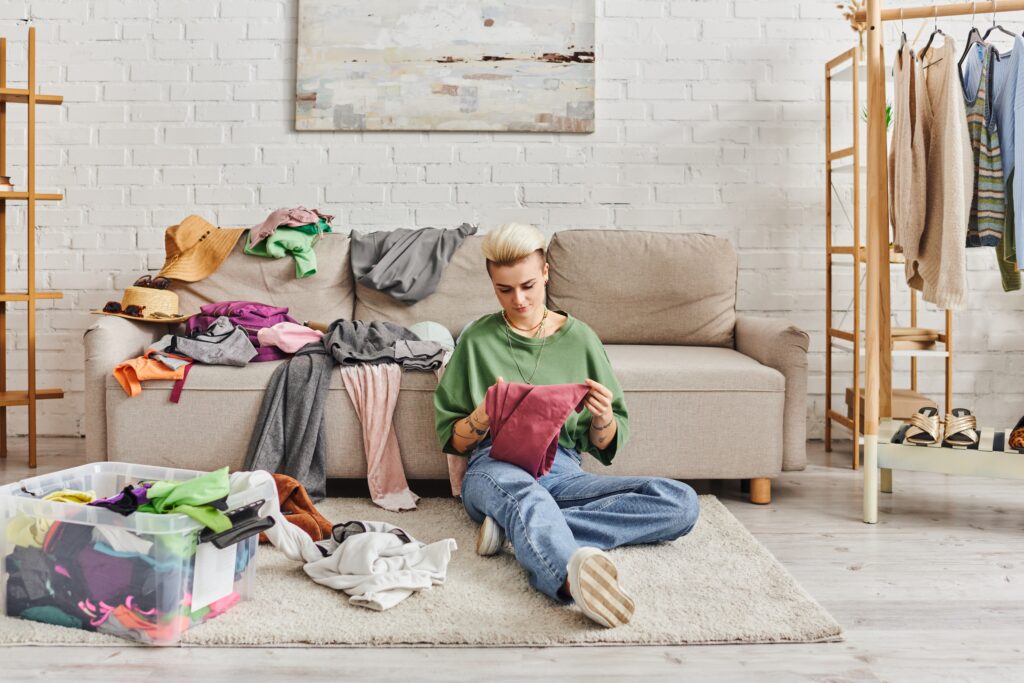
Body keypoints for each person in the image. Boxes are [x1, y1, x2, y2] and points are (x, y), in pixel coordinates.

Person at [434, 223, 700, 628]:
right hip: (495, 465)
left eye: (527, 285)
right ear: (491, 285)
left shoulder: (582, 339)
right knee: (527, 496)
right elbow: (452, 439)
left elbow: (606, 444)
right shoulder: (476, 339)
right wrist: (480, 418)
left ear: (545, 274)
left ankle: (514, 532)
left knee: (679, 501)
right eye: (504, 290)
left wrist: (604, 417)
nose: (518, 299)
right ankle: (569, 583)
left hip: (562, 469)